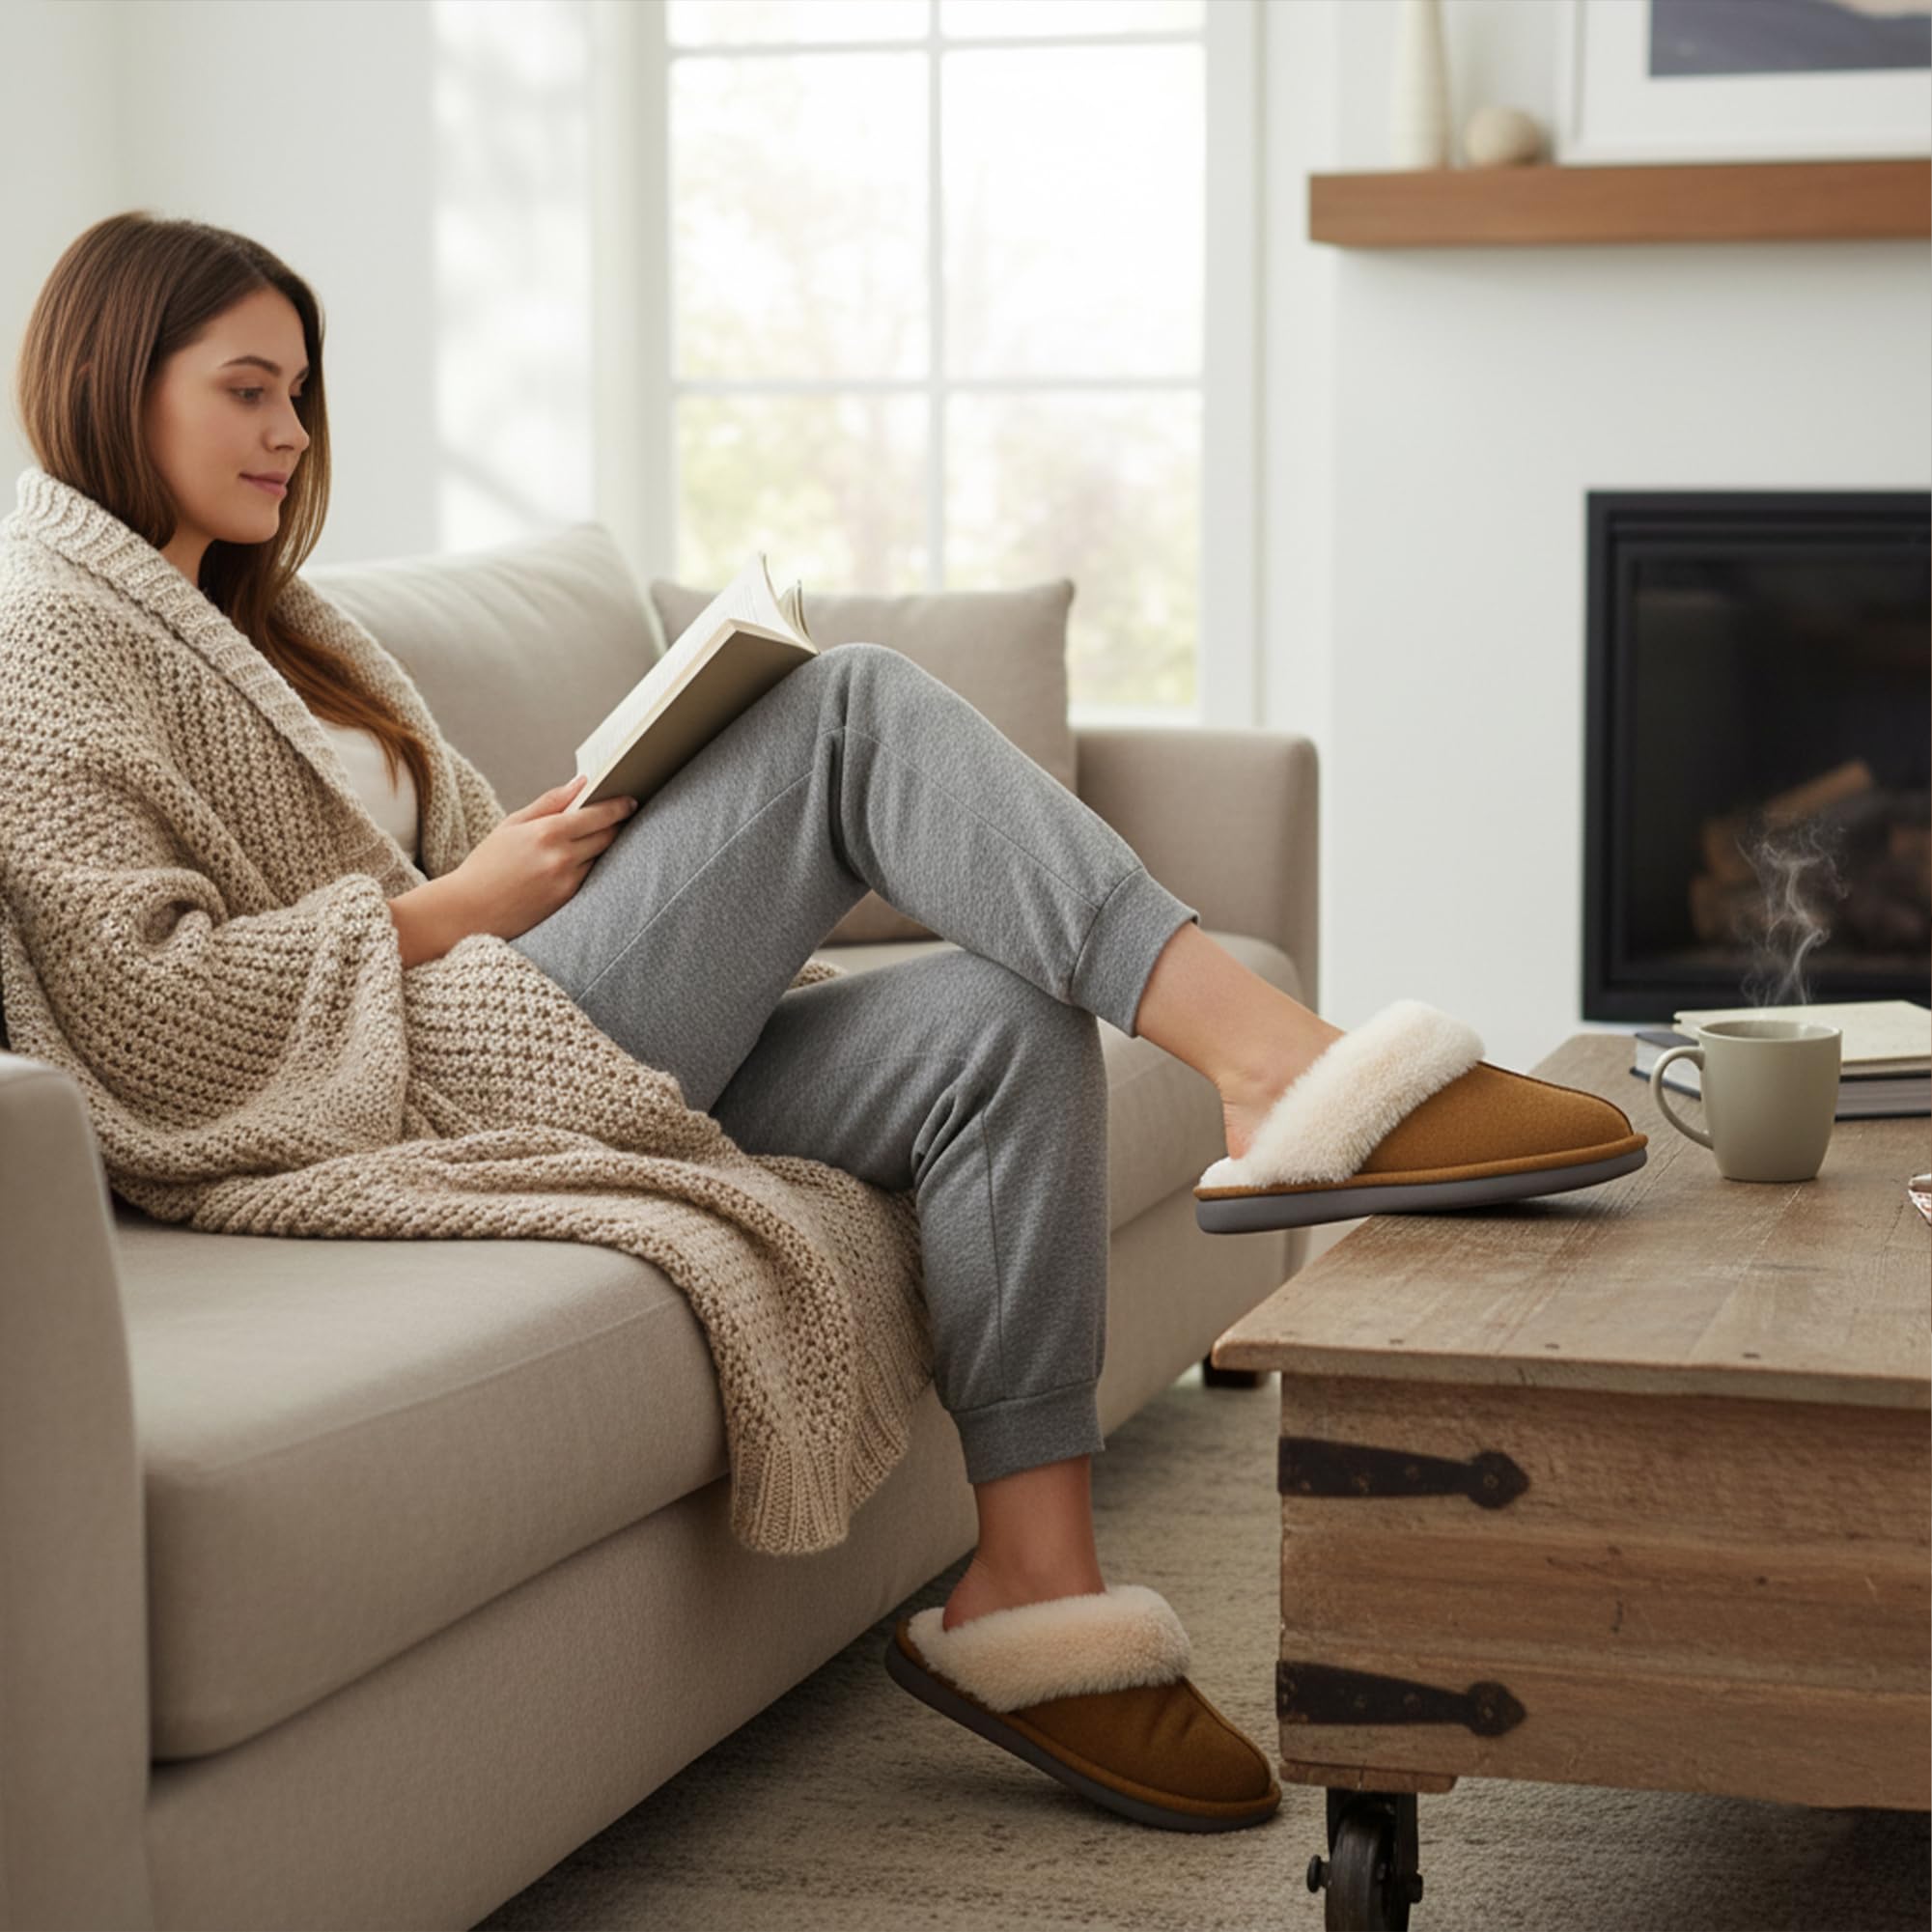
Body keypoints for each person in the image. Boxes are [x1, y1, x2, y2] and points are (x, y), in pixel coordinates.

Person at [4, 212, 1639, 1832]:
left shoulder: (280, 621)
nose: (292, 428)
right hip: (399, 1083)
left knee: (1005, 1017)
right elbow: (151, 1014)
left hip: (506, 1012)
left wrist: (587, 852)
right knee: (848, 704)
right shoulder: (44, 634)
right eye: (246, 388)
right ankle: (1272, 1062)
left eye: (301, 388)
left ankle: (1031, 1583)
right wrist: (472, 902)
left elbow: (450, 858)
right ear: (108, 383)